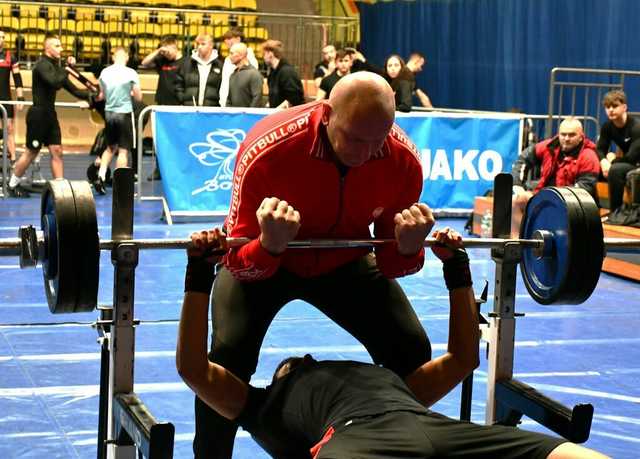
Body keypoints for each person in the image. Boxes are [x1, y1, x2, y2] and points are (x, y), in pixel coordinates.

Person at [193, 71, 456, 457]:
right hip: (271, 261)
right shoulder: (267, 149)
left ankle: (392, 448)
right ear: (327, 114)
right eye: (354, 138)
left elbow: (391, 264)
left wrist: (408, 250)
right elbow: (238, 261)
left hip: (344, 260)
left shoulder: (402, 162)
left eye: (377, 140)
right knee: (227, 359)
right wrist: (270, 246)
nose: (365, 153)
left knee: (412, 350)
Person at [178, 228, 608, 459]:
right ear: (281, 376)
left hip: (432, 431)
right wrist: (199, 275)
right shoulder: (260, 410)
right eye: (292, 362)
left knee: (574, 456)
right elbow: (195, 370)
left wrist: (457, 267)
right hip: (355, 441)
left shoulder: (402, 389)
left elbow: (462, 359)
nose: (305, 356)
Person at [7, 34, 90, 198]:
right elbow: (55, 82)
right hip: (38, 115)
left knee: (57, 150)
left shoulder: (56, 68)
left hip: (50, 115)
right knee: (31, 151)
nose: (62, 48)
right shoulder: (41, 66)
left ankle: (60, 188)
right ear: (48, 48)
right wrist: (67, 68)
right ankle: (12, 184)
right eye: (57, 46)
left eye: (61, 45)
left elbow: (75, 90)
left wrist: (94, 96)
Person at [511, 117, 600, 211]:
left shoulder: (589, 156)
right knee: (516, 200)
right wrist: (517, 186)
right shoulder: (548, 146)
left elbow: (585, 189)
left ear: (581, 137)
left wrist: (550, 199)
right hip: (546, 196)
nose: (566, 138)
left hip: (576, 205)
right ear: (558, 134)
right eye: (563, 134)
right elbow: (523, 160)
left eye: (572, 135)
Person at [92, 47, 142, 194]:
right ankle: (119, 184)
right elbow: (138, 97)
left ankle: (100, 176)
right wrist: (132, 93)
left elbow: (101, 95)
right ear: (126, 57)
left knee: (110, 148)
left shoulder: (105, 72)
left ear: (113, 57)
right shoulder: (131, 73)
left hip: (109, 113)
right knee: (123, 151)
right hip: (124, 112)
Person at [596, 90, 640, 212]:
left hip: (636, 163)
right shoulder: (607, 126)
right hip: (627, 162)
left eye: (614, 106)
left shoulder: (636, 127)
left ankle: (616, 212)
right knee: (594, 165)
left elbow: (632, 157)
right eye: (607, 107)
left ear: (624, 107)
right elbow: (600, 148)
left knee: (615, 170)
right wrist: (604, 161)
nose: (610, 110)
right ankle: (593, 206)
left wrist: (612, 160)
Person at [175, 32, 223, 107]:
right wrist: (182, 99)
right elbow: (178, 84)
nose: (199, 47)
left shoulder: (220, 65)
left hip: (211, 111)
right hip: (190, 109)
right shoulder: (186, 64)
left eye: (203, 44)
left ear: (211, 45)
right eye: (197, 44)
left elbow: (223, 87)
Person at [0, 29, 24, 171]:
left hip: (6, 99)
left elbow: (17, 79)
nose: (0, 39)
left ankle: (13, 159)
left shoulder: (11, 57)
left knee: (9, 129)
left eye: (2, 37)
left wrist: (20, 97)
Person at [219, 27, 258, 108]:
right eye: (225, 39)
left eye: (229, 38)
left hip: (242, 106)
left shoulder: (250, 59)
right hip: (227, 102)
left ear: (238, 39)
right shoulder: (227, 60)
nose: (226, 41)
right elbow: (225, 82)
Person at [262, 39, 304, 109]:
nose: (263, 57)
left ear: (270, 54)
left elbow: (294, 98)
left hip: (289, 115)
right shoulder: (273, 72)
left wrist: (276, 111)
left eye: (264, 54)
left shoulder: (287, 72)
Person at [227, 42, 263, 108]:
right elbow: (229, 100)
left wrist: (248, 116)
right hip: (234, 117)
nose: (229, 56)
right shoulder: (232, 75)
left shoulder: (254, 74)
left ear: (241, 55)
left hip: (248, 117)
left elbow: (257, 99)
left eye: (232, 53)